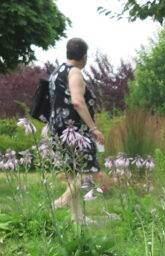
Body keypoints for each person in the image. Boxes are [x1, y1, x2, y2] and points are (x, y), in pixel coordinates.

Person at [49, 37, 104, 223]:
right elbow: (77, 101)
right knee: (87, 169)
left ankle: (77, 217)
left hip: (58, 128)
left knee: (73, 172)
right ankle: (60, 201)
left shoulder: (56, 72)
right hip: (74, 130)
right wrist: (93, 128)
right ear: (84, 56)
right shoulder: (75, 72)